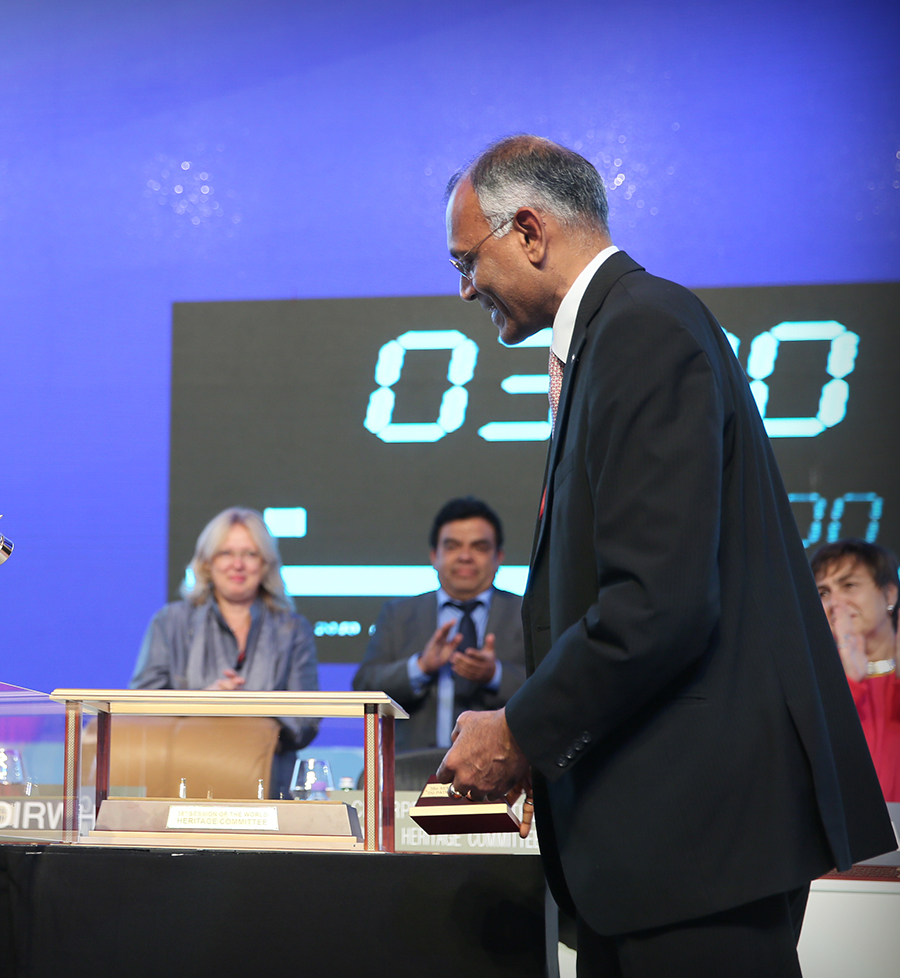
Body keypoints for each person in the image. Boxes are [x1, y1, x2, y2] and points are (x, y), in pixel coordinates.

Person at [435, 135, 893, 976]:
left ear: (529, 231)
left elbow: (657, 605)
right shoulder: (623, 330)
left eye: (468, 260)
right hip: (665, 852)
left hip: (697, 846)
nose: (465, 287)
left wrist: (520, 732)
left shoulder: (641, 330)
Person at [131, 508, 319, 793]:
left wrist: (249, 709)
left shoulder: (293, 629)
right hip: (181, 782)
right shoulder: (170, 622)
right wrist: (201, 703)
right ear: (207, 563)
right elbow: (139, 709)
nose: (238, 565)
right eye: (226, 553)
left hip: (269, 786)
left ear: (265, 564)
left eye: (250, 554)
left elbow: (307, 721)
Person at [353, 496, 526, 749]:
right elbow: (364, 687)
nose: (465, 556)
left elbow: (552, 691)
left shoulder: (526, 613)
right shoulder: (398, 614)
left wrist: (495, 675)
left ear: (498, 557)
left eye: (479, 547)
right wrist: (421, 667)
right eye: (453, 546)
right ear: (434, 556)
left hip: (502, 764)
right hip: (413, 765)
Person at [812, 539, 900, 802]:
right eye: (823, 593)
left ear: (889, 594)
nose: (835, 603)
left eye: (849, 585)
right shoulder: (814, 685)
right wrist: (849, 681)